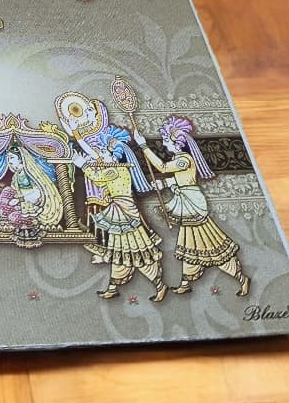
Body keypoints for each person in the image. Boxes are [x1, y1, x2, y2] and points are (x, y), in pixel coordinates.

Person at [134, 116, 249, 297]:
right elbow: (181, 179)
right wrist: (163, 184)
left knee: (210, 242)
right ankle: (186, 282)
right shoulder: (180, 159)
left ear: (176, 143)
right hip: (186, 200)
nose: (164, 144)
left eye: (166, 140)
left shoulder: (184, 160)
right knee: (189, 242)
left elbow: (163, 167)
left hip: (192, 203)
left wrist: (144, 146)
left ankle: (241, 278)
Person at [74, 124, 166, 302]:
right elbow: (103, 183)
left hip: (124, 213)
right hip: (121, 210)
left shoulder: (114, 170)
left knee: (138, 252)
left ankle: (159, 285)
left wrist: (82, 164)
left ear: (113, 154)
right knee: (119, 250)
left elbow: (98, 179)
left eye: (104, 152)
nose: (101, 155)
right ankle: (113, 287)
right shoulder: (119, 169)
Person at [0, 137, 63, 244]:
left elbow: (37, 194)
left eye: (11, 158)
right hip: (21, 206)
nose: (9, 161)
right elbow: (13, 193)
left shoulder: (30, 174)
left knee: (13, 217)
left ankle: (29, 225)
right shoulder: (17, 176)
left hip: (34, 209)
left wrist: (20, 199)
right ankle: (1, 223)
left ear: (21, 159)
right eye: (8, 158)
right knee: (7, 191)